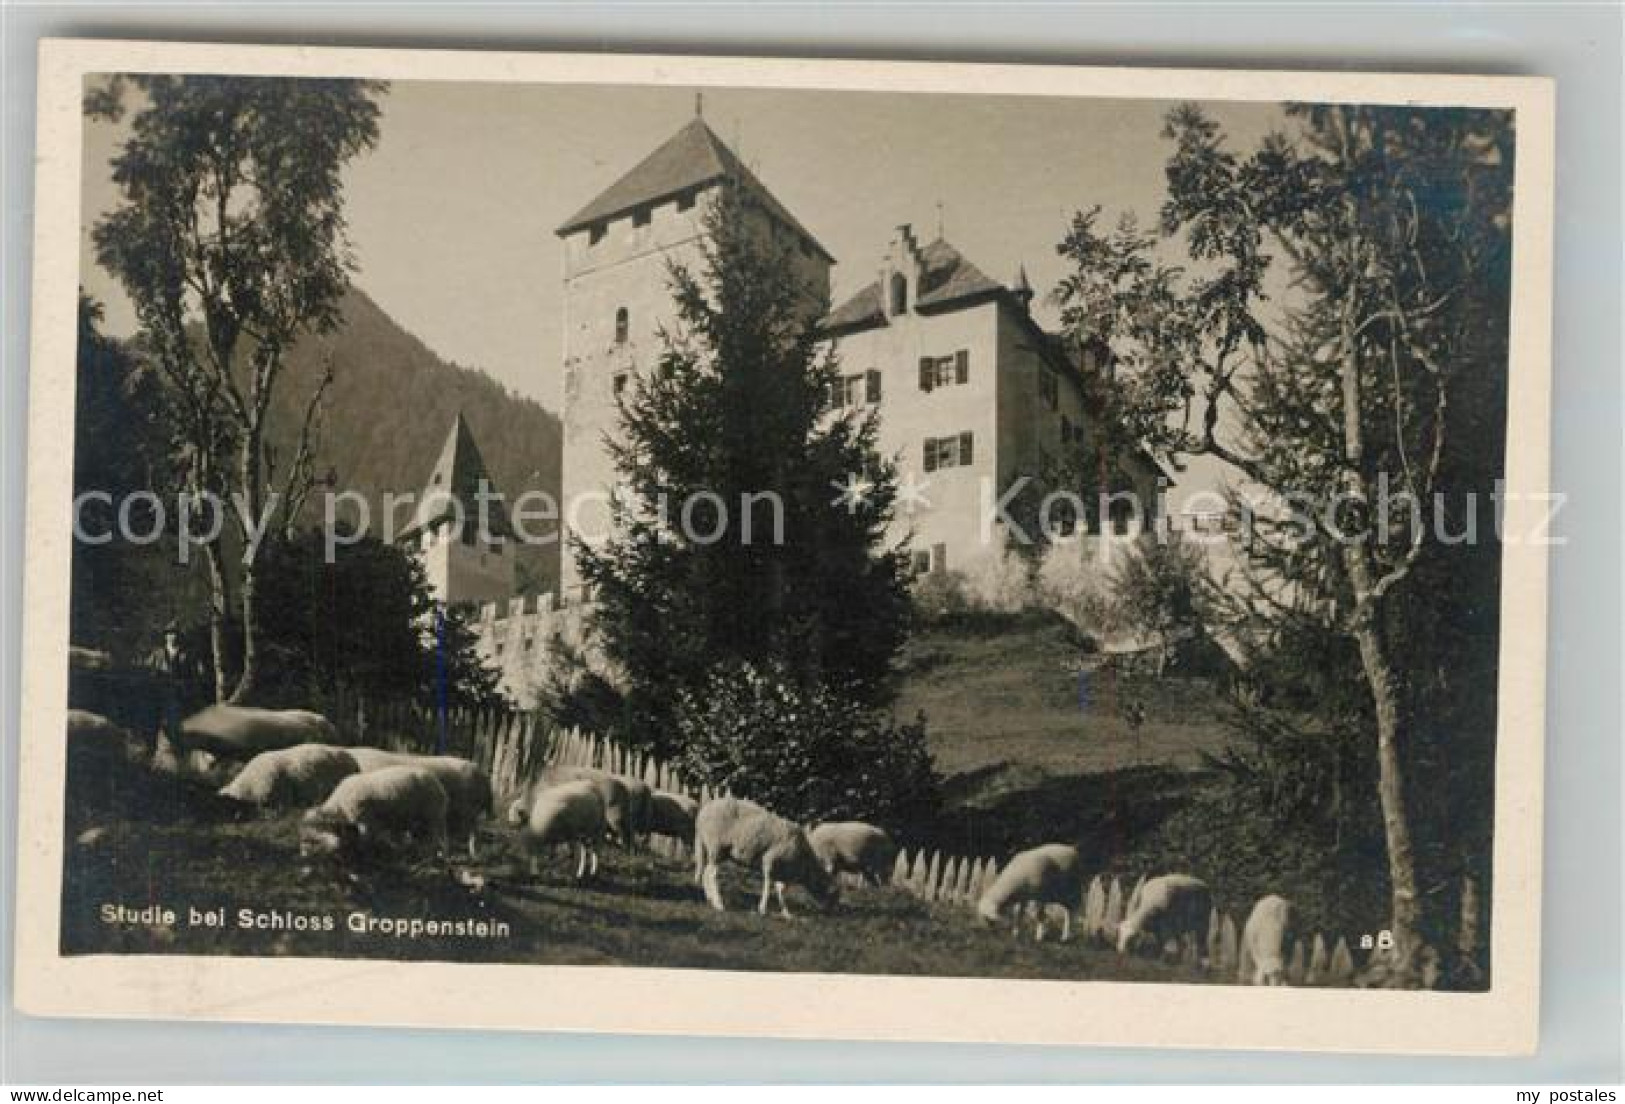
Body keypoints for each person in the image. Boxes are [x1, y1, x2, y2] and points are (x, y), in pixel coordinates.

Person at [144, 620, 200, 751]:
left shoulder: (187, 654)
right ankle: (153, 751)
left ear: (180, 636)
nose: (172, 637)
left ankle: (178, 752)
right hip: (159, 696)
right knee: (154, 726)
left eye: (175, 634)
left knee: (177, 727)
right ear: (165, 636)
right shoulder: (157, 654)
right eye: (169, 633)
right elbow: (147, 673)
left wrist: (185, 687)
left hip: (180, 697)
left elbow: (195, 677)